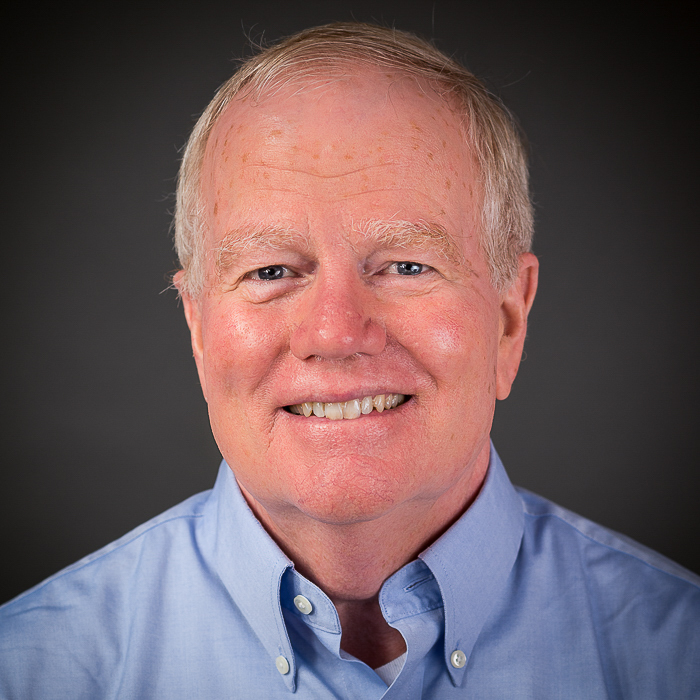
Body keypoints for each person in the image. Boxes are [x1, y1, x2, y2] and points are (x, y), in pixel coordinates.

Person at [0, 22, 698, 699]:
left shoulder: (680, 660)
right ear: (198, 328)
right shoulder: (28, 673)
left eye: (405, 264)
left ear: (510, 321)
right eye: (271, 271)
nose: (335, 332)